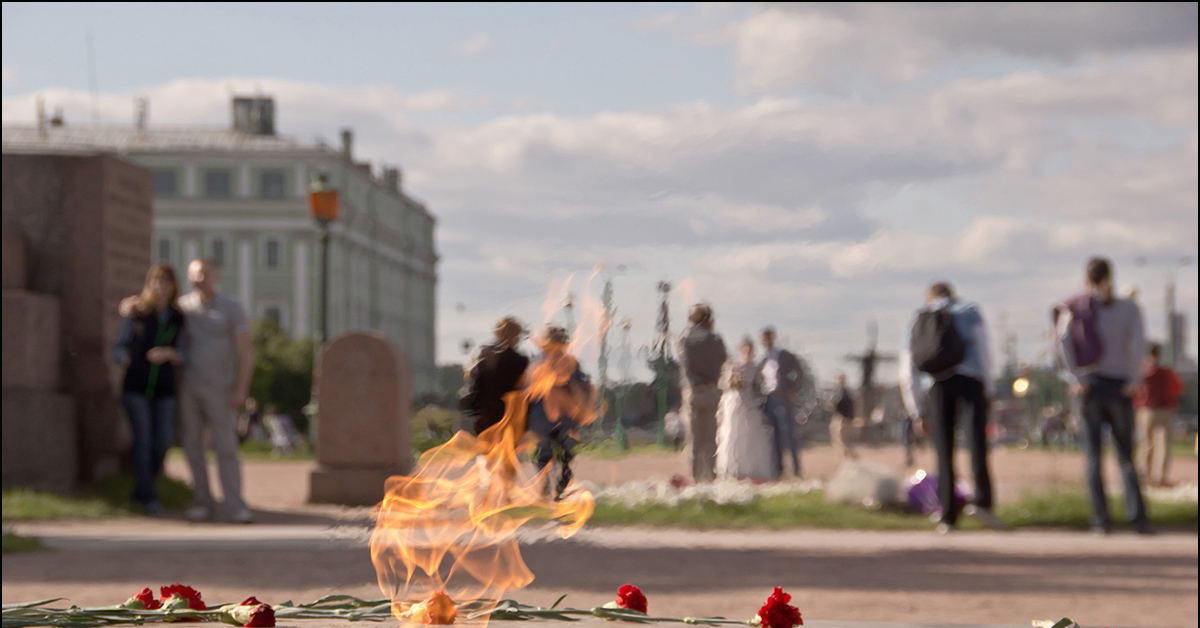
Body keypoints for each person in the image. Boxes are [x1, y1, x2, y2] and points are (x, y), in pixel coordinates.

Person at [120, 258, 254, 523]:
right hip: (187, 386)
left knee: (226, 448)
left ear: (215, 274)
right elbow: (152, 305)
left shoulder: (232, 307)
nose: (198, 279)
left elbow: (245, 352)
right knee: (193, 447)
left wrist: (241, 389)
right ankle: (203, 502)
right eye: (193, 275)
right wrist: (127, 305)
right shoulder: (184, 306)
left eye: (203, 273)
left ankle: (235, 506)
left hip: (220, 388)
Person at [1054, 257, 1151, 535]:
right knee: (1126, 456)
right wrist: (1133, 380)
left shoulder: (1075, 307)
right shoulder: (1129, 308)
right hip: (1120, 386)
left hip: (1090, 386)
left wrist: (1074, 378)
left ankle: (1101, 520)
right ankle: (1138, 519)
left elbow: (1062, 342)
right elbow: (1138, 345)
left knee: (1093, 457)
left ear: (1087, 279)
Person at [900, 282, 1002, 534]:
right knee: (977, 443)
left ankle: (948, 514)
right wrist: (989, 388)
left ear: (929, 298)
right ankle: (981, 502)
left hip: (937, 386)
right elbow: (984, 349)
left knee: (943, 451)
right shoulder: (969, 311)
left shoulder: (918, 318)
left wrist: (916, 410)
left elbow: (907, 370)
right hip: (971, 381)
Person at [113, 263, 187, 515]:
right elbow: (120, 346)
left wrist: (171, 354)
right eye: (156, 281)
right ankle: (150, 498)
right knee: (143, 441)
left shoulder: (179, 317)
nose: (160, 286)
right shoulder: (137, 313)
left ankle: (141, 490)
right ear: (149, 284)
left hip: (164, 389)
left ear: (172, 286)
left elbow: (186, 353)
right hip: (136, 386)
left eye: (165, 281)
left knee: (162, 442)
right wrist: (125, 358)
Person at [524, 325, 592, 500]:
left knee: (546, 453)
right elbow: (579, 388)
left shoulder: (537, 365)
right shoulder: (567, 363)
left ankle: (549, 482)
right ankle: (558, 485)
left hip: (547, 417)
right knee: (560, 453)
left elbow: (527, 394)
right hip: (559, 417)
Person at [676, 304, 728, 483]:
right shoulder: (715, 340)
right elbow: (723, 359)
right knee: (711, 438)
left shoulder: (685, 339)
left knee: (694, 440)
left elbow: (685, 362)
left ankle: (695, 477)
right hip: (711, 390)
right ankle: (711, 476)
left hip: (693, 390)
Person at [715, 338, 775, 482]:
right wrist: (732, 382)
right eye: (744, 349)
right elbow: (724, 383)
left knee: (749, 434)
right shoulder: (734, 365)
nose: (746, 352)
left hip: (748, 402)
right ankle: (732, 468)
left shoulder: (755, 367)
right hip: (734, 402)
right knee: (733, 433)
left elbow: (759, 386)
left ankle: (751, 468)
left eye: (749, 349)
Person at [461, 317, 530, 436]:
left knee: (487, 448)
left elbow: (471, 374)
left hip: (485, 410)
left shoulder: (484, 352)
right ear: (516, 336)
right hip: (510, 411)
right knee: (509, 448)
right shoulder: (520, 360)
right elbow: (524, 386)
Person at [1134, 343, 1184, 487]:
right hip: (1165, 410)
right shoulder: (1167, 372)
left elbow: (1134, 389)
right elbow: (1178, 388)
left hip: (1147, 410)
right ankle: (1161, 478)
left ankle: (1145, 477)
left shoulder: (1142, 371)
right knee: (1164, 445)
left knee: (1146, 444)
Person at [757, 326, 803, 479]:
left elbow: (799, 371)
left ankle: (796, 469)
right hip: (769, 398)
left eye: (767, 338)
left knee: (788, 434)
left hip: (782, 398)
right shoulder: (764, 359)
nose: (765, 342)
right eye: (762, 339)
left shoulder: (784, 355)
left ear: (772, 338)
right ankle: (779, 470)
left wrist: (793, 389)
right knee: (774, 436)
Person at [827, 372, 859, 464]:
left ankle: (850, 457)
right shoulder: (840, 392)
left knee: (843, 440)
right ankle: (844, 457)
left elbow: (844, 407)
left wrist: (848, 419)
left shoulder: (844, 393)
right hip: (841, 418)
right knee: (839, 440)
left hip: (843, 419)